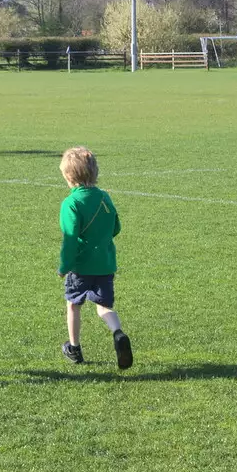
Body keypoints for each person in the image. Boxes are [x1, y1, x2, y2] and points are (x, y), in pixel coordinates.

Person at [58, 146, 132, 369]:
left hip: (81, 266)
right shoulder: (104, 197)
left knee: (73, 304)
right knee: (104, 306)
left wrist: (65, 265)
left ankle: (74, 348)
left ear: (68, 176)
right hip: (105, 264)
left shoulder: (71, 203)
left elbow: (70, 238)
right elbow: (116, 227)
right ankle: (118, 333)